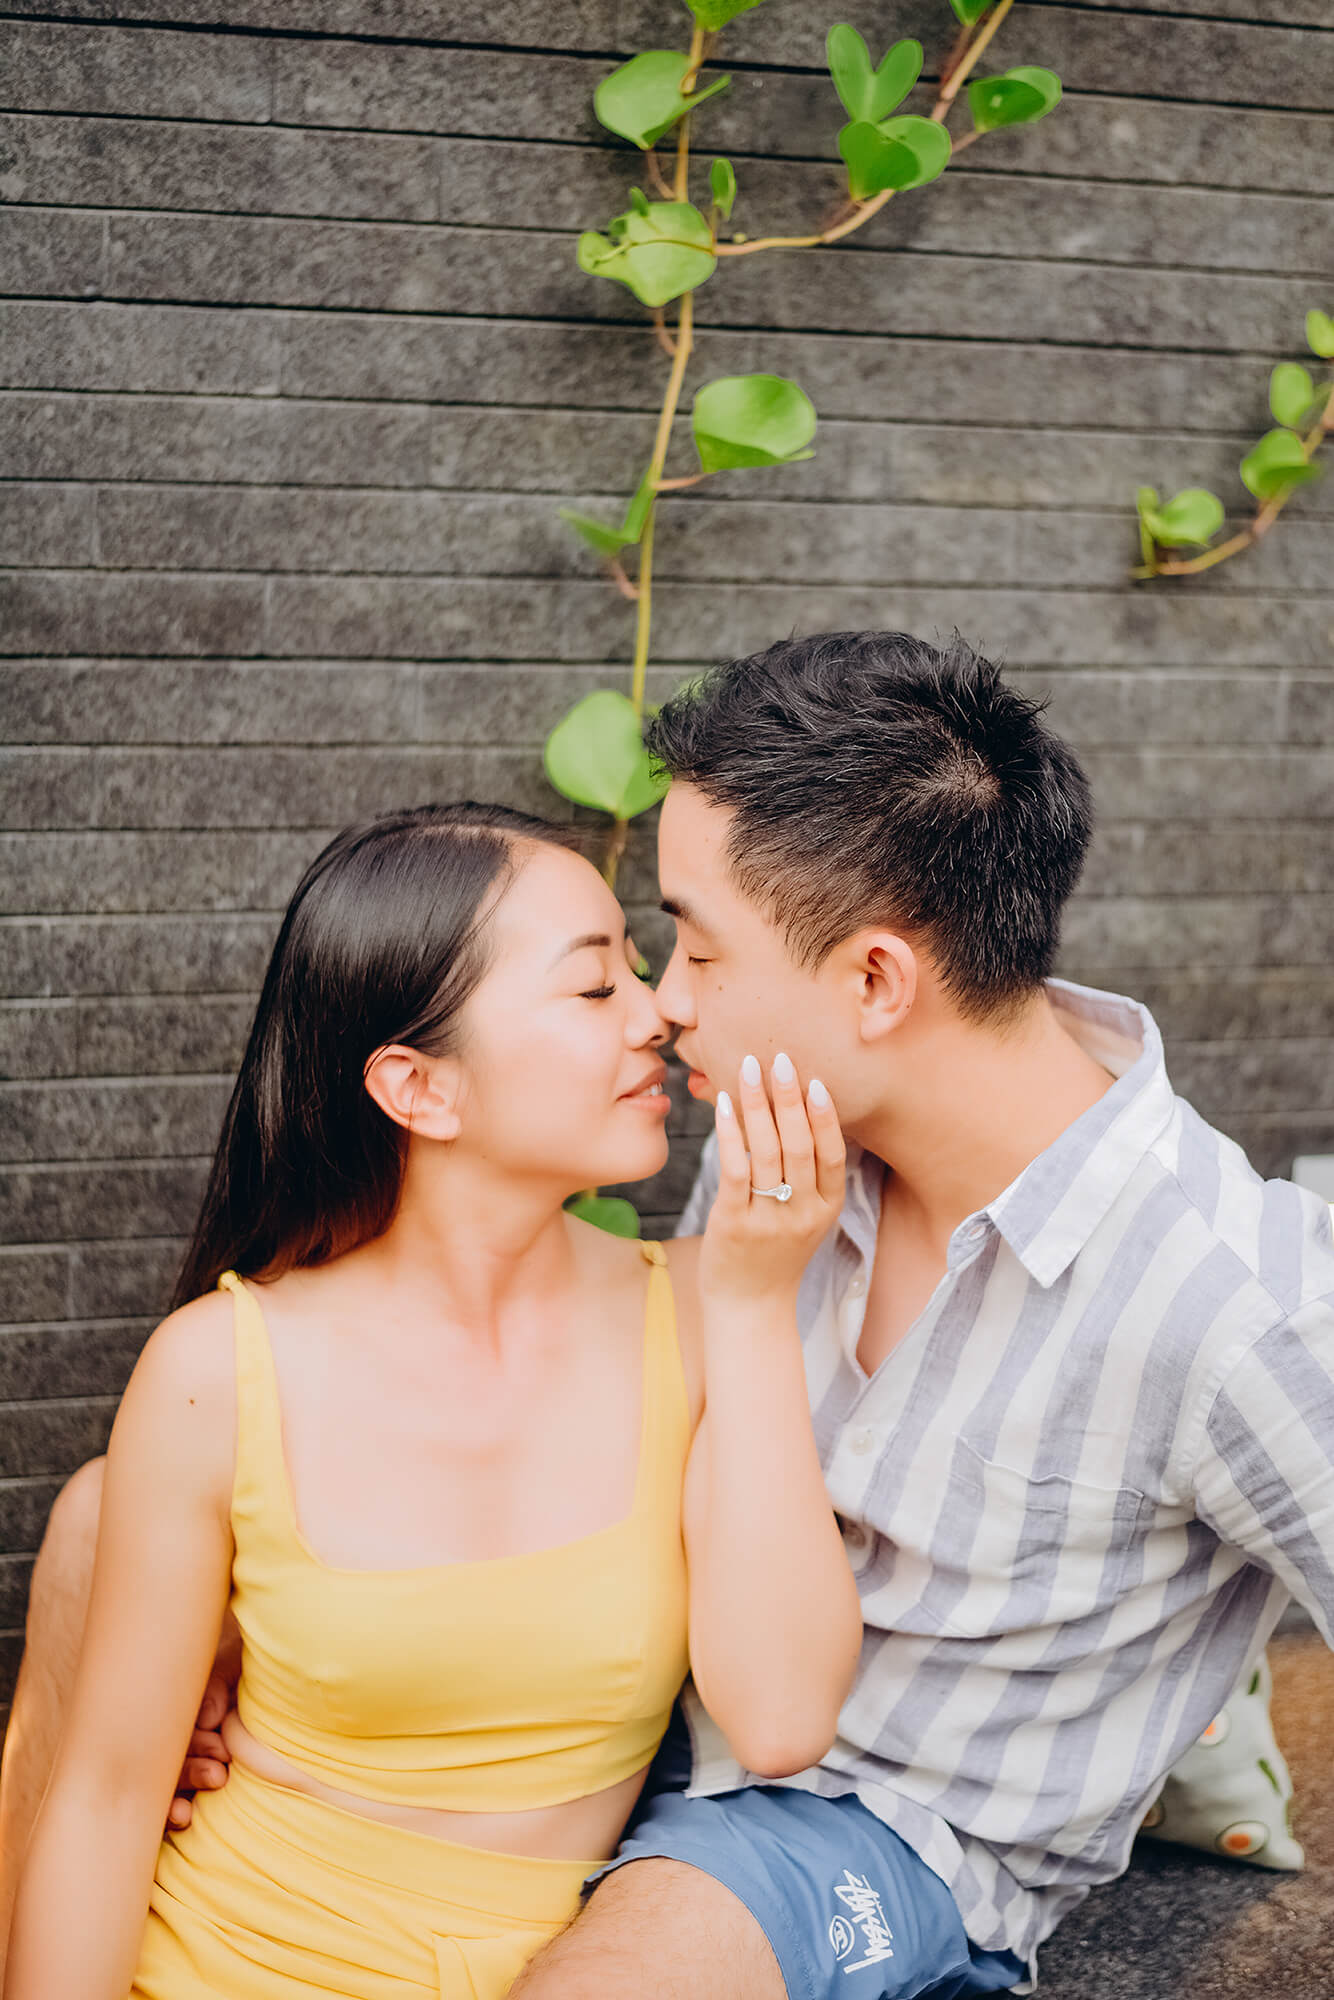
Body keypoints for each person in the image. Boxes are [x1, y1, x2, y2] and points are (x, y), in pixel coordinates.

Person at [8, 629, 1334, 2000]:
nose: (664, 1007)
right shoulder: (774, 1136)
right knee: (99, 1521)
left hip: (859, 1825)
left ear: (874, 982)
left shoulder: (1241, 1301)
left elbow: (774, 1705)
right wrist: (255, 1629)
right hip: (638, 1732)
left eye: (692, 948)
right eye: (624, 968)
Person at [2, 801, 862, 1999]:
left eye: (639, 966)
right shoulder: (218, 1369)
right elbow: (101, 1803)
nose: (657, 1011)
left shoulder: (709, 1313)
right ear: (420, 1087)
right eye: (590, 985)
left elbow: (779, 1717)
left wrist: (760, 1302)